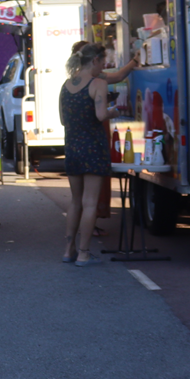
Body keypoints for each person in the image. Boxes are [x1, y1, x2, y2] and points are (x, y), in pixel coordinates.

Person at [61, 42, 113, 265]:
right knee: (90, 202)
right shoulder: (98, 83)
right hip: (93, 148)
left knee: (75, 201)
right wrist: (114, 111)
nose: (104, 66)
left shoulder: (66, 85)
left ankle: (68, 250)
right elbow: (101, 115)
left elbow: (63, 120)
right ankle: (83, 252)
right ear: (95, 60)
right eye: (103, 62)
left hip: (72, 147)